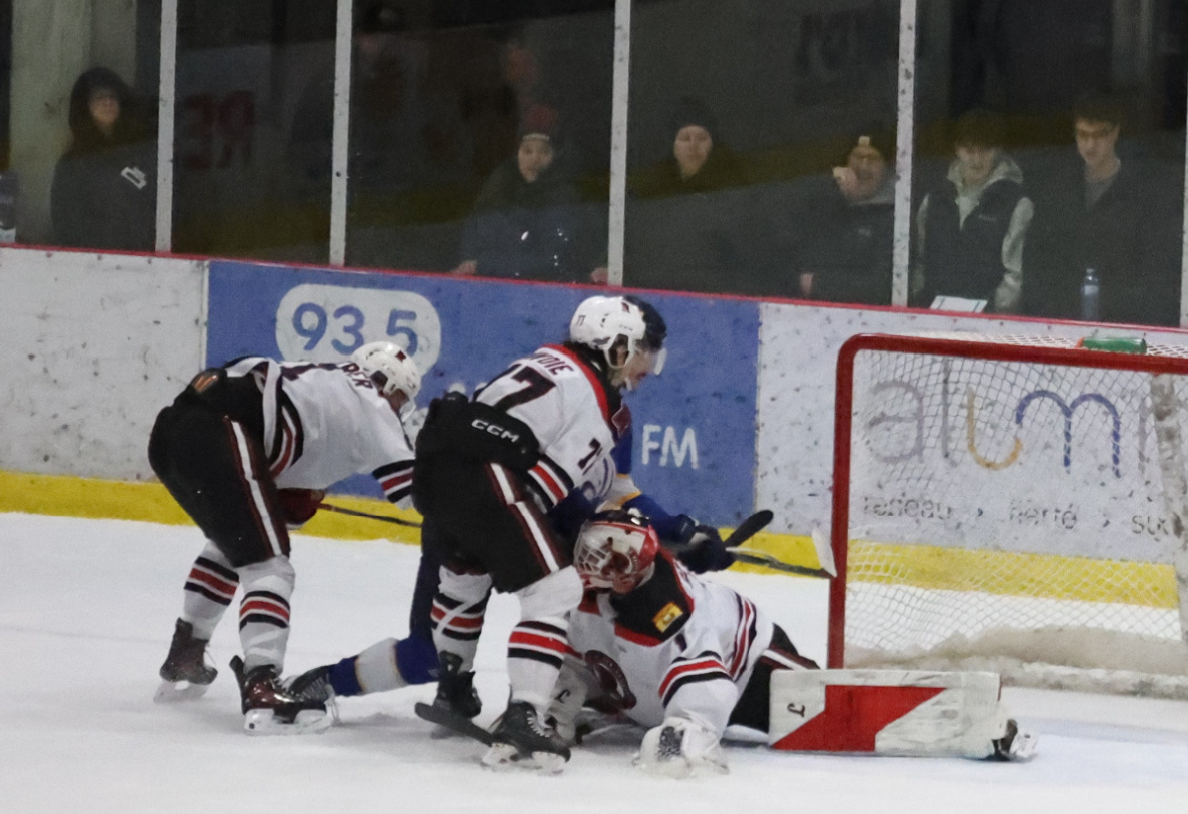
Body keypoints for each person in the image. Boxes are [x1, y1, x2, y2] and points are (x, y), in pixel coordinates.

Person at [298, 295, 735, 771]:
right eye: (643, 350)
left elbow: (615, 492)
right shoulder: (598, 402)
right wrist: (598, 543)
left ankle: (411, 685)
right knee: (556, 592)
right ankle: (524, 715)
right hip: (494, 486)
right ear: (615, 346)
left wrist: (675, 529)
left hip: (445, 477)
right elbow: (548, 493)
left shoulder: (549, 364)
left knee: (450, 613)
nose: (647, 366)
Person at [146, 342, 421, 732]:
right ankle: (263, 685)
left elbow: (280, 435)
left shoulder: (323, 379)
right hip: (221, 428)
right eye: (401, 396)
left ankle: (185, 652)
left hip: (173, 431)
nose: (398, 407)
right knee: (270, 566)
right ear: (387, 383)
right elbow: (418, 490)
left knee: (235, 546)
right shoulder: (373, 406)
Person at [539, 510, 819, 777]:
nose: (593, 568)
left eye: (612, 563)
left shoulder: (671, 612)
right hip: (653, 687)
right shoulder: (589, 592)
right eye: (590, 557)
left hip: (747, 664)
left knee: (824, 706)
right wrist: (556, 710)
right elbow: (577, 660)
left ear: (630, 569)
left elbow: (709, 688)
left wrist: (689, 727)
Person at [1023, 94, 1181, 326]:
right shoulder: (1057, 190)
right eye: (1083, 135)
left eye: (1099, 135)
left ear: (1115, 132)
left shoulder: (1142, 195)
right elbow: (1037, 259)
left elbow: (1154, 271)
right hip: (1059, 324)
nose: (1090, 145)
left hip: (1121, 326)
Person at [626, 97, 765, 296]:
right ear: (672, 145)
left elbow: (750, 259)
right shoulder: (650, 193)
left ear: (713, 144)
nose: (693, 146)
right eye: (684, 138)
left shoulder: (734, 193)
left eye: (702, 138)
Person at [452, 109, 598, 282]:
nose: (535, 159)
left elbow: (556, 261)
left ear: (555, 156)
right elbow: (471, 242)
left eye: (543, 152)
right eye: (528, 151)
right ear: (517, 153)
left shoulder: (563, 198)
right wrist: (470, 265)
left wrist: (483, 266)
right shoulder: (497, 189)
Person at [913, 109, 1033, 313]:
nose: (977, 159)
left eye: (985, 150)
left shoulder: (1016, 203)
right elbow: (918, 261)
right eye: (969, 149)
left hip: (990, 323)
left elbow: (1015, 276)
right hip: (931, 317)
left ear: (998, 150)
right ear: (957, 149)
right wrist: (921, 305)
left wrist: (987, 311)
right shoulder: (934, 198)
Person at [50, 67, 156, 251]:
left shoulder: (142, 153)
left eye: (112, 97)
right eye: (99, 97)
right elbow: (67, 224)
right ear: (85, 106)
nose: (107, 102)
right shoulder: (74, 164)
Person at [796, 127, 897, 304]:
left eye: (872, 159)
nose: (863, 166)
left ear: (886, 167)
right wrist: (828, 188)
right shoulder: (825, 202)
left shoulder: (895, 214)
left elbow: (884, 286)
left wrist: (818, 283)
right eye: (858, 157)